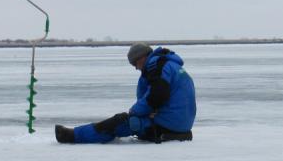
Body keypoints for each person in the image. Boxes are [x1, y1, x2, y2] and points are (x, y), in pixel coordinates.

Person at [55, 43, 196, 144]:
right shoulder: (172, 65)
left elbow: (157, 95)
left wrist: (134, 111)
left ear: (141, 57)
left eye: (135, 63)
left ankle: (73, 136)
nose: (135, 68)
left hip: (167, 125)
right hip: (181, 124)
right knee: (128, 119)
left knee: (120, 122)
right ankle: (80, 133)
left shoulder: (156, 66)